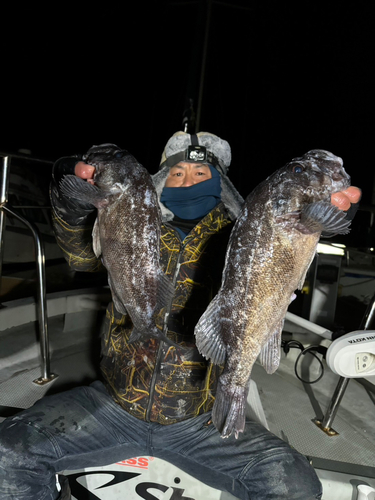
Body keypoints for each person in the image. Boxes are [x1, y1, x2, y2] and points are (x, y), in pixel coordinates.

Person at [0, 131, 360, 500]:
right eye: (177, 174)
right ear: (159, 180)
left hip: (203, 418)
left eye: (201, 174)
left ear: (221, 184)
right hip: (112, 404)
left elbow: (277, 251)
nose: (188, 182)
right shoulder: (133, 216)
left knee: (297, 487)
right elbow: (80, 256)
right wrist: (70, 201)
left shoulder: (247, 234)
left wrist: (321, 214)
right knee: (6, 453)